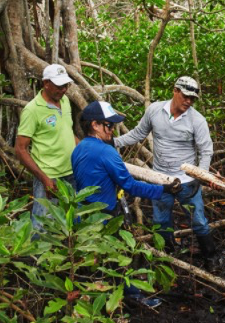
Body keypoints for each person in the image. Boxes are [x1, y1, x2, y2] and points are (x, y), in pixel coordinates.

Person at [71, 100, 181, 309]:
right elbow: (130, 186)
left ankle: (93, 300)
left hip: (82, 215)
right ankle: (132, 296)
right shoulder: (107, 152)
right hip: (105, 216)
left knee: (91, 260)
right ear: (95, 125)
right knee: (119, 258)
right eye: (109, 126)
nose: (113, 130)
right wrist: (163, 190)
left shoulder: (78, 148)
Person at [114, 76, 217, 263]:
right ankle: (167, 258)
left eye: (192, 99)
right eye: (185, 96)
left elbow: (206, 150)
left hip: (187, 181)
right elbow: (138, 133)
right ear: (175, 91)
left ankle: (210, 257)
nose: (188, 101)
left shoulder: (197, 120)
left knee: (198, 221)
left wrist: (200, 176)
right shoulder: (154, 110)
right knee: (160, 222)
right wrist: (113, 142)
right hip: (160, 179)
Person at [15, 64, 78, 232]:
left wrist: (89, 151)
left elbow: (67, 133)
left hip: (71, 173)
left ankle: (67, 256)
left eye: (66, 85)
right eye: (59, 86)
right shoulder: (32, 110)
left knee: (72, 220)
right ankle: (35, 258)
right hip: (49, 177)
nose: (64, 90)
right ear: (46, 83)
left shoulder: (64, 101)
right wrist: (44, 179)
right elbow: (20, 149)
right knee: (42, 225)